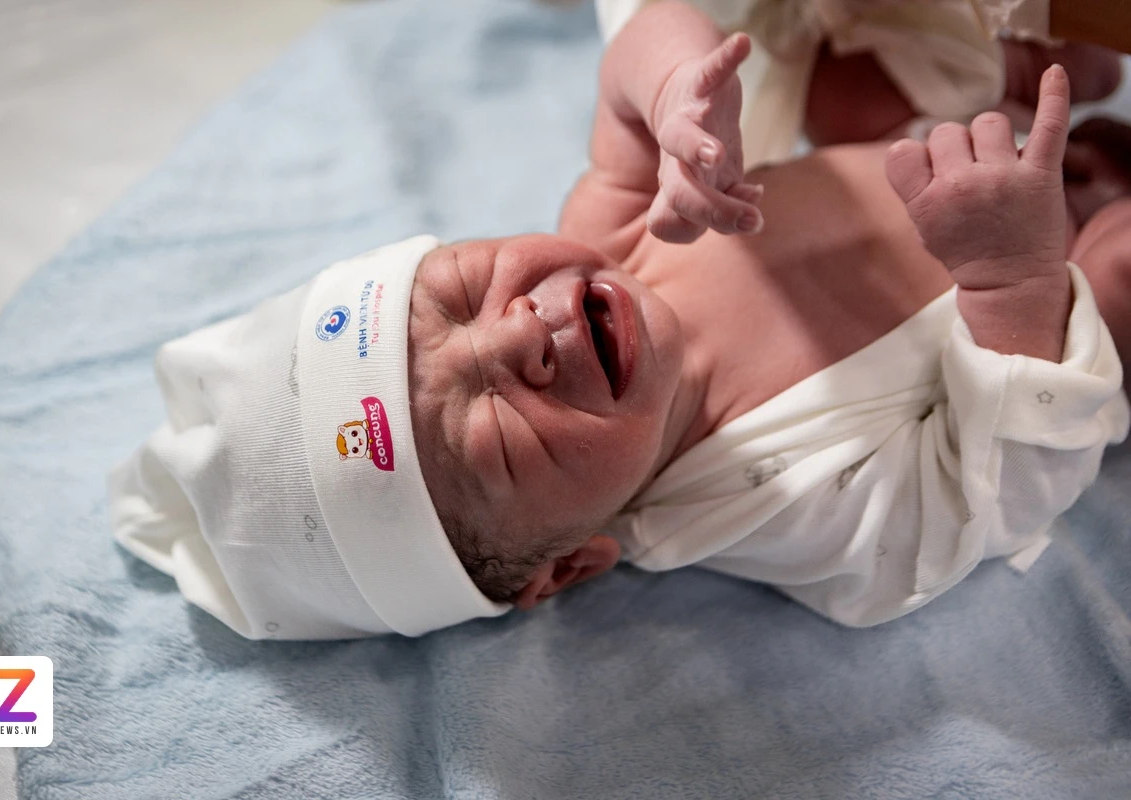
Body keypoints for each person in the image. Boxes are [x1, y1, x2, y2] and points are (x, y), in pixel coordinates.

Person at [110, 1, 1130, 640]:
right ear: (573, 561)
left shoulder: (612, 231)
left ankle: (1016, 99)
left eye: (460, 293)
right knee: (1122, 278)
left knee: (845, 78)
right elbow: (977, 504)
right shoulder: (753, 501)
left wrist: (676, 87)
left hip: (937, 167)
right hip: (1042, 287)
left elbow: (628, 74)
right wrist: (1011, 277)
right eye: (493, 436)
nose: (514, 334)